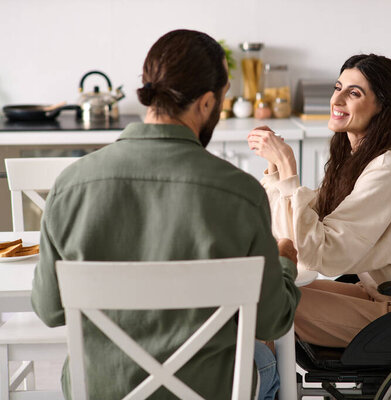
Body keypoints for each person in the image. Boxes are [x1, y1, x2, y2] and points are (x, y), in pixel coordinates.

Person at [31, 29, 300, 400]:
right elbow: (273, 319)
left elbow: (48, 311)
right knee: (267, 360)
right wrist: (285, 263)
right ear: (206, 103)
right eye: (221, 101)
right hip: (208, 391)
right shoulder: (241, 194)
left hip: (100, 389)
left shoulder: (70, 185)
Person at [247, 54, 391, 348]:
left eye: (354, 93)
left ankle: (261, 391)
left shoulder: (390, 168)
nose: (337, 100)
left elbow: (321, 254)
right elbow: (296, 239)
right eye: (338, 88)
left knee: (270, 302)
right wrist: (275, 169)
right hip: (381, 294)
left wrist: (287, 166)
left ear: (382, 106)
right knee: (263, 292)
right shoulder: (356, 161)